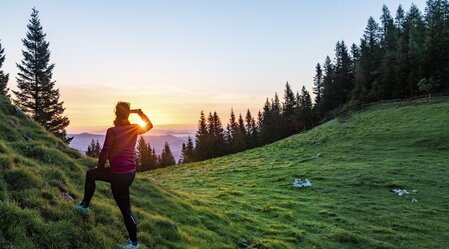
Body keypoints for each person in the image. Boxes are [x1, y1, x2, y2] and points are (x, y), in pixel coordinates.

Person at [75, 102, 153, 249]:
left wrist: (100, 169)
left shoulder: (113, 131)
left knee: (91, 175)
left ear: (116, 113)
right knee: (126, 208)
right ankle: (134, 243)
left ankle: (84, 206)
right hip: (130, 173)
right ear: (128, 113)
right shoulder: (134, 128)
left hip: (118, 174)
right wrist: (140, 113)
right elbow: (149, 125)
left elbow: (104, 151)